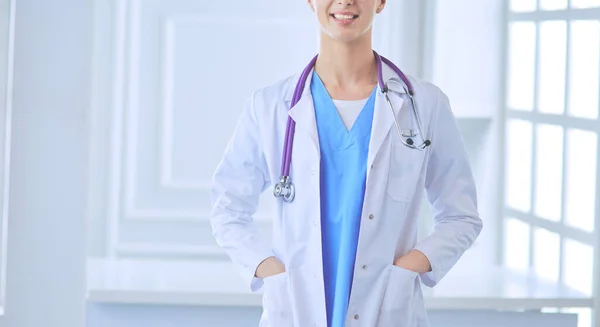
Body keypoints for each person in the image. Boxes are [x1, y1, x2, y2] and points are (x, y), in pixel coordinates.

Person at [209, 0, 483, 326]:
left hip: (387, 311)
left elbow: (462, 216)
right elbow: (227, 209)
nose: (345, 1)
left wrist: (409, 268)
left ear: (381, 2)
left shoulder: (424, 104)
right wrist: (271, 270)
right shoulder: (269, 107)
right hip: (295, 310)